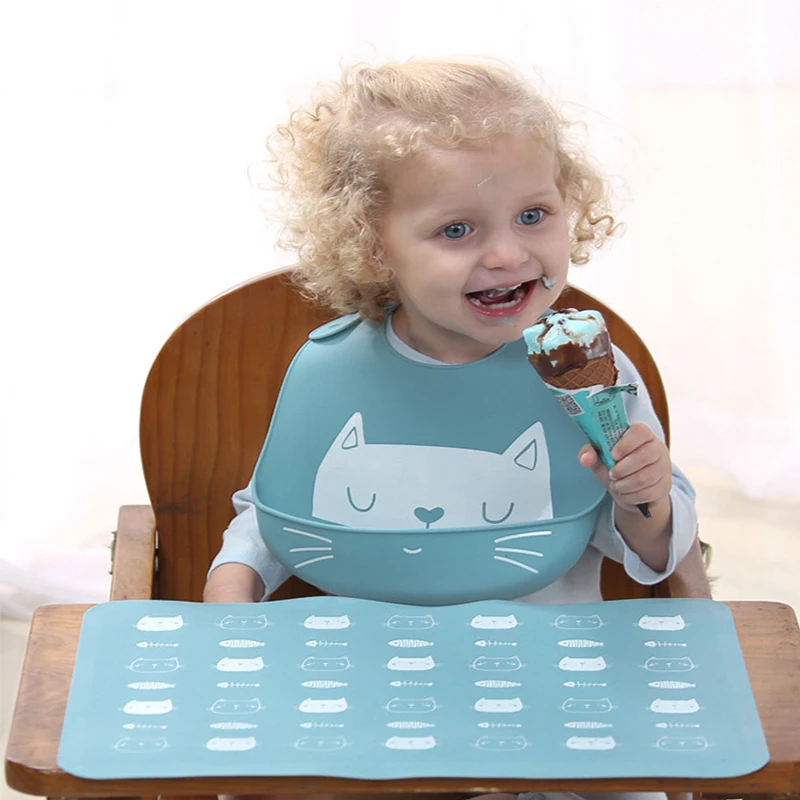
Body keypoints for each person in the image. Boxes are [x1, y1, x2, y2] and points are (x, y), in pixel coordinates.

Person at [204, 58, 697, 800]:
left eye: (533, 215)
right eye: (457, 229)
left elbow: (655, 554)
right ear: (375, 246)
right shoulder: (333, 369)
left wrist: (644, 495)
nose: (507, 253)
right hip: (366, 692)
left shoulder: (590, 371)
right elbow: (283, 509)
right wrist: (232, 589)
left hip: (551, 694)